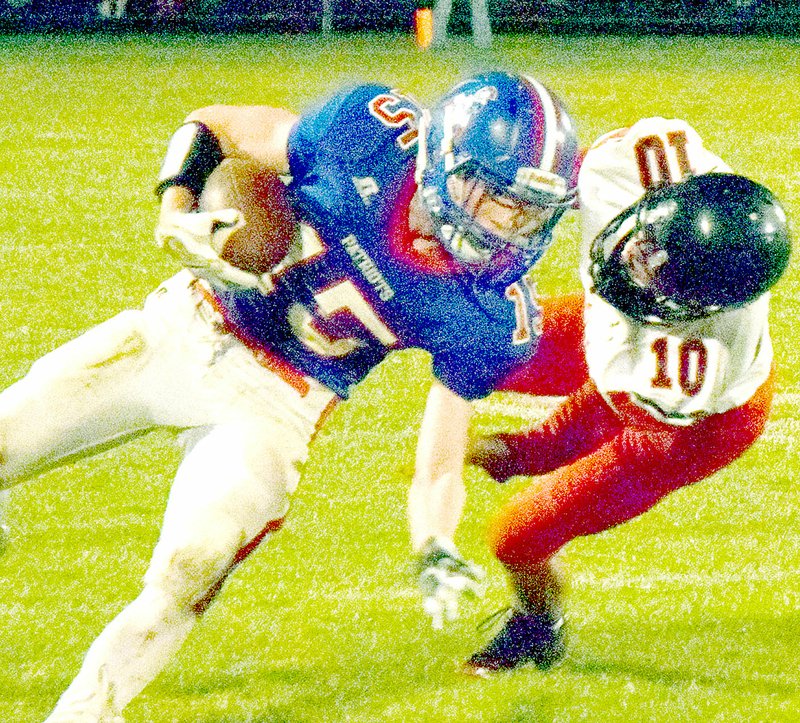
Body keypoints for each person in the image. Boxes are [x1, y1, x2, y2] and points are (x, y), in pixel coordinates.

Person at [0, 71, 578, 721]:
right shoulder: (367, 134)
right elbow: (214, 121)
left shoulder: (491, 311)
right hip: (183, 325)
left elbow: (439, 456)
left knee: (191, 565)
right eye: (502, 200)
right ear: (445, 160)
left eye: (534, 209)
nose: (515, 226)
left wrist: (434, 539)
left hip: (276, 405)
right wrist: (176, 211)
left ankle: (84, 712)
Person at [440, 117, 790, 673]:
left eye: (665, 281)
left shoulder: (691, 365)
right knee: (472, 336)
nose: (636, 269)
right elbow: (544, 177)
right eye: (647, 248)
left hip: (690, 430)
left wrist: (521, 452)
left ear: (705, 305)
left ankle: (536, 623)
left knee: (517, 538)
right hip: (632, 339)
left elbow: (601, 419)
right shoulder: (635, 164)